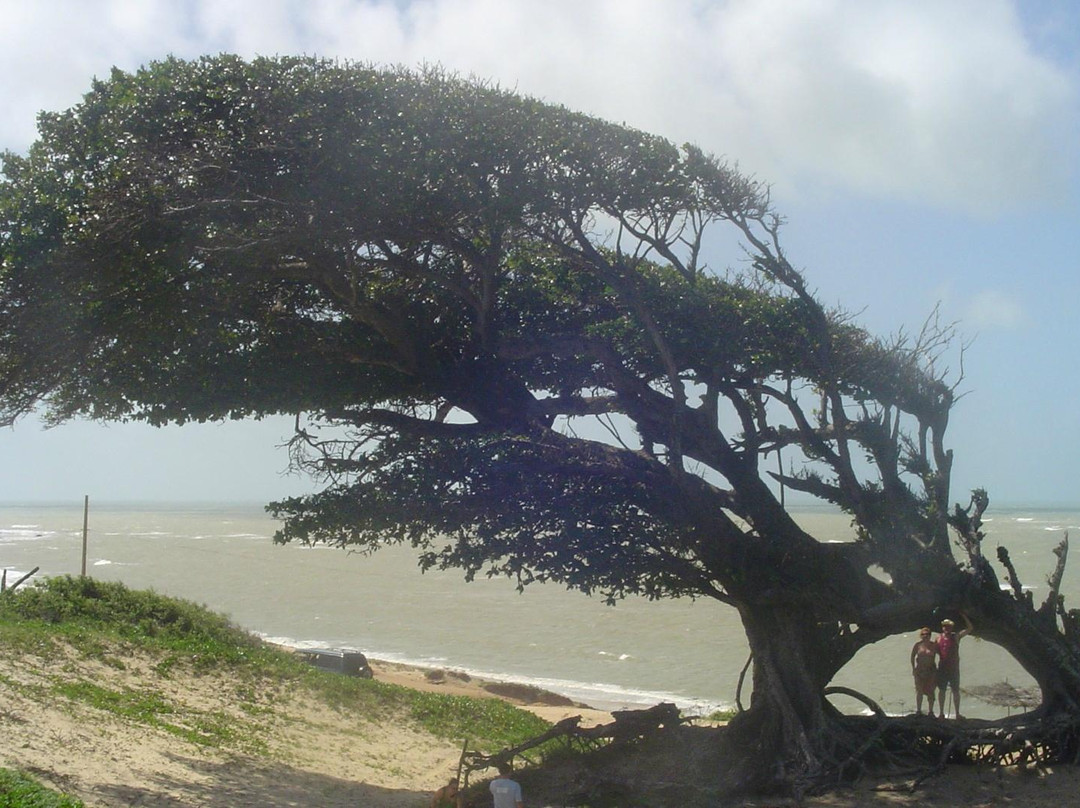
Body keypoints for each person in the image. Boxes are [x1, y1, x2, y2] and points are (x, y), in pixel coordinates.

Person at [936, 613, 973, 719]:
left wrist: (963, 615)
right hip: (942, 668)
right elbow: (936, 651)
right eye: (945, 626)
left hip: (954, 669)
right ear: (942, 627)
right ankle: (941, 713)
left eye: (948, 626)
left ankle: (957, 713)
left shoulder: (956, 636)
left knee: (955, 691)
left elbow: (970, 628)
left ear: (952, 627)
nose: (946, 628)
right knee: (942, 690)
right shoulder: (938, 638)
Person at [909, 626, 938, 715]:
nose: (925, 636)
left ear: (930, 635)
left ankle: (931, 711)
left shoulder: (934, 645)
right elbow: (912, 656)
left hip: (931, 671)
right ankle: (919, 710)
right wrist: (913, 668)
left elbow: (943, 655)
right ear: (920, 635)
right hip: (920, 670)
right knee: (919, 691)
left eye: (927, 634)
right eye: (923, 634)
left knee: (931, 691)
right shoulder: (917, 645)